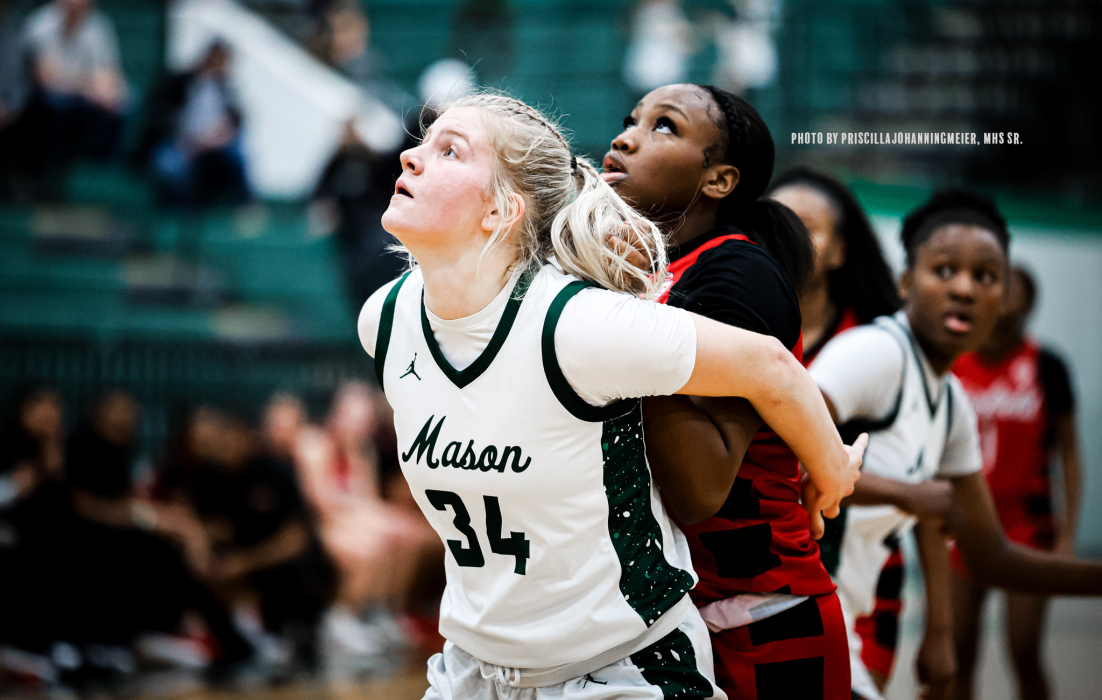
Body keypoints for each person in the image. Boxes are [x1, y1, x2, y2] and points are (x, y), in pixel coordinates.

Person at [356, 91, 863, 699]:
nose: (411, 157)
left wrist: (833, 469)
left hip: (703, 622)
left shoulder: (598, 314)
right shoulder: (386, 319)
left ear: (502, 210)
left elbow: (754, 399)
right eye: (628, 122)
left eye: (448, 151)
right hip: (474, 665)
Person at [600, 84, 852, 700]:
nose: (625, 136)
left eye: (664, 126)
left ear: (719, 180)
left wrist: (629, 309)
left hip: (764, 611)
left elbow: (699, 491)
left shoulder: (736, 272)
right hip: (675, 612)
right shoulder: (650, 271)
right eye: (632, 119)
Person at [807, 191, 1102, 700]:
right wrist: (906, 494)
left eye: (985, 276)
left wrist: (938, 632)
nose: (965, 288)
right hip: (789, 610)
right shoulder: (875, 353)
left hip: (845, 615)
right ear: (906, 283)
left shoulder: (951, 404)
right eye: (944, 271)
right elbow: (772, 450)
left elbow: (989, 555)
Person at [768, 167, 908, 689]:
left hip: (860, 574)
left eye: (806, 225)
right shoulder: (729, 324)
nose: (786, 237)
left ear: (840, 251)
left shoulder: (875, 345)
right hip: (761, 572)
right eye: (774, 223)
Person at [950, 266, 1082, 700]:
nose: (1003, 295)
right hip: (963, 524)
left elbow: (1069, 452)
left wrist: (1067, 534)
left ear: (1030, 302)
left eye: (1014, 289)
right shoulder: (952, 361)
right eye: (995, 286)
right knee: (957, 654)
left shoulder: (1048, 365)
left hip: (1028, 524)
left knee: (1024, 651)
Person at [20, 0, 126, 186]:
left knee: (125, 100)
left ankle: (100, 167)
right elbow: (47, 80)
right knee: (58, 103)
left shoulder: (99, 26)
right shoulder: (40, 24)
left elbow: (108, 74)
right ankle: (48, 170)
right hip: (42, 101)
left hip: (85, 97)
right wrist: (86, 86)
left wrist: (107, 90)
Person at [133, 41, 249, 206]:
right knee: (169, 168)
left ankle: (244, 206)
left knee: (235, 159)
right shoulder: (180, 82)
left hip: (212, 149)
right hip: (180, 144)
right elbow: (163, 115)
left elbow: (234, 125)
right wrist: (192, 139)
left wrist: (215, 139)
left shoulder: (226, 90)